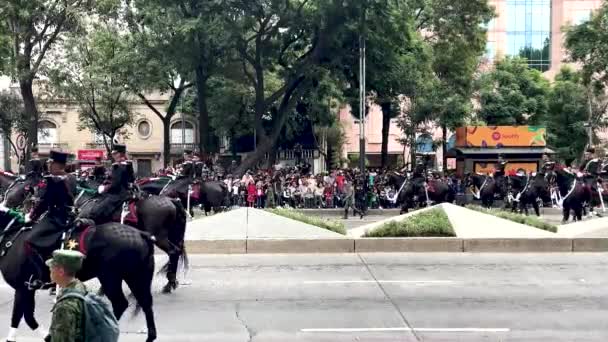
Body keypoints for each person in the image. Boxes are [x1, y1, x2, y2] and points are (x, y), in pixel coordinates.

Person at [24, 150, 76, 290]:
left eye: (50, 163)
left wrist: (31, 216)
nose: (48, 165)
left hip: (56, 217)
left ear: (56, 164)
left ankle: (43, 277)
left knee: (29, 241)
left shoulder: (53, 179)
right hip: (70, 215)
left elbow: (44, 203)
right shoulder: (71, 177)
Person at [46, 249, 87, 342]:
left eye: (51, 268)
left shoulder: (65, 306)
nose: (50, 271)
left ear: (60, 272)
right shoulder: (81, 287)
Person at [85, 144, 132, 223]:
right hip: (127, 192)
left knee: (95, 212)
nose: (113, 155)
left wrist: (104, 188)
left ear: (119, 154)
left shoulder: (118, 166)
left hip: (117, 195)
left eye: (114, 153)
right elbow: (131, 179)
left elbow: (115, 185)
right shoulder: (128, 164)